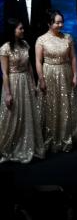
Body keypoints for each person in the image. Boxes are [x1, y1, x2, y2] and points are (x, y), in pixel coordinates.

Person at [35, 9, 77, 153]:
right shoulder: (41, 40)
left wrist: (75, 75)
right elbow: (38, 61)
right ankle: (50, 137)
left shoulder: (68, 37)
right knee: (50, 105)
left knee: (65, 105)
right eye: (57, 22)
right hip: (49, 73)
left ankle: (66, 135)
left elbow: (73, 57)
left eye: (62, 22)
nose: (60, 25)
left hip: (65, 73)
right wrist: (41, 79)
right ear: (49, 23)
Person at [0, 19, 42, 164]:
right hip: (13, 82)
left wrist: (33, 84)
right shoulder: (5, 48)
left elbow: (29, 66)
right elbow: (5, 73)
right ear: (13, 31)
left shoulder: (25, 44)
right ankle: (8, 146)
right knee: (12, 116)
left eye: (23, 28)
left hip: (26, 82)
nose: (23, 30)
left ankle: (26, 144)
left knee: (26, 114)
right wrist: (8, 93)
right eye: (20, 29)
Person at [3, 0, 52, 70]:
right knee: (22, 65)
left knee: (40, 63)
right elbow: (7, 16)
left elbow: (48, 13)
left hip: (39, 34)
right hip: (20, 35)